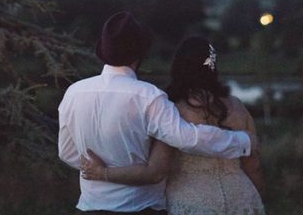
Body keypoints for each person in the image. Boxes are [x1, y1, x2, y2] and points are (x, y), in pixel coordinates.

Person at [59, 12, 255, 214]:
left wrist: (99, 169)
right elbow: (188, 138)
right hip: (140, 207)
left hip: (90, 207)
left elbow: (66, 152)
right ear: (139, 53)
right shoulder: (149, 96)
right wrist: (241, 141)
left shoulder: (74, 93)